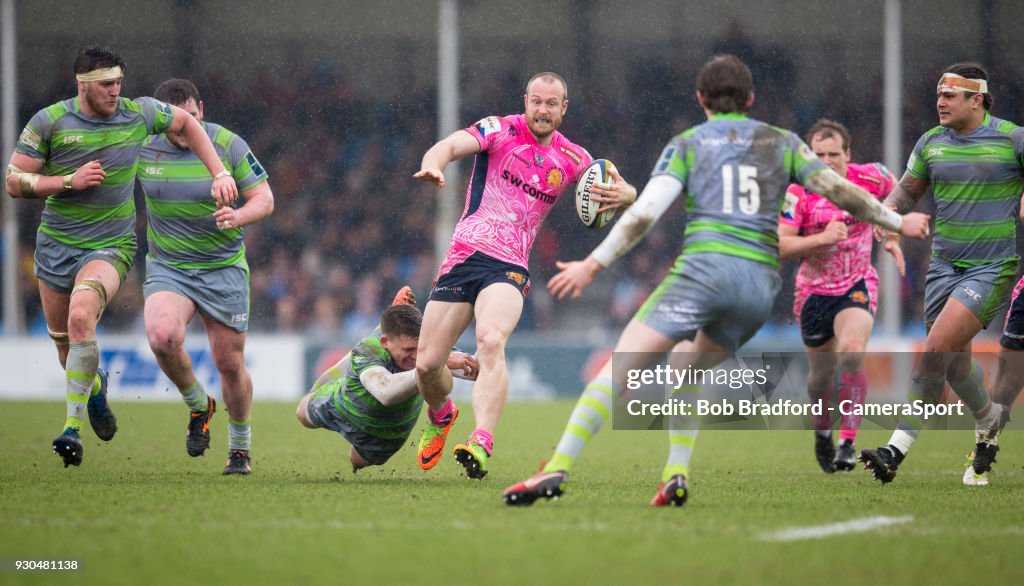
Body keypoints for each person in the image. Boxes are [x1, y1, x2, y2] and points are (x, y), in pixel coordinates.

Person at [502, 54, 930, 507]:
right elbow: (840, 190)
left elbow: (646, 212)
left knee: (618, 369)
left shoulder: (688, 143)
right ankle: (675, 475)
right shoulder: (782, 142)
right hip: (756, 292)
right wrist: (897, 222)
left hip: (703, 274)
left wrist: (593, 263)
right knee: (685, 367)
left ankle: (555, 470)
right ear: (749, 99)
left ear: (700, 98)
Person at [5, 46, 238, 468]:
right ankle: (94, 389)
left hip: (111, 245)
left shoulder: (140, 113)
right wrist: (67, 181)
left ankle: (71, 430)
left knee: (81, 317)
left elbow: (187, 122)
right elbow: (14, 180)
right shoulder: (50, 121)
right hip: (56, 245)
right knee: (66, 348)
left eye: (119, 83)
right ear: (83, 85)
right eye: (107, 84)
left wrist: (219, 171)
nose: (116, 91)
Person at [410, 72, 637, 478]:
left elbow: (623, 189)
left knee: (491, 341)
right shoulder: (498, 129)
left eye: (552, 104)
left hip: (509, 265)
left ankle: (481, 441)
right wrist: (433, 164)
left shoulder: (574, 159)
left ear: (563, 109)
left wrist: (628, 196)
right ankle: (442, 414)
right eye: (537, 101)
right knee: (427, 365)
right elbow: (449, 145)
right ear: (526, 101)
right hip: (464, 255)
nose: (543, 110)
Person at [859, 62, 1024, 485]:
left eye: (950, 94)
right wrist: (889, 213)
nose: (940, 101)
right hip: (943, 267)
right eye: (938, 94)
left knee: (933, 348)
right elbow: (906, 191)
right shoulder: (931, 142)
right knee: (952, 364)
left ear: (978, 99)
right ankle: (988, 419)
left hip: (991, 268)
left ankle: (894, 450)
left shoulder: (1012, 138)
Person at [136, 79, 273, 475]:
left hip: (222, 267)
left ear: (202, 109)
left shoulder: (228, 144)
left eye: (190, 120)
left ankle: (240, 448)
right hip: (170, 266)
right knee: (163, 338)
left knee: (228, 363)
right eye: (175, 125)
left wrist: (238, 216)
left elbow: (265, 199)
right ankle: (199, 403)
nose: (183, 132)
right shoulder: (143, 145)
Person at [777, 119, 903, 473]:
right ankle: (822, 432)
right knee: (820, 375)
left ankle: (847, 441)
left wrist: (890, 234)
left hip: (857, 283)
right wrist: (820, 239)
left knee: (851, 352)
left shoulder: (874, 177)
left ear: (848, 154)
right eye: (818, 155)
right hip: (813, 292)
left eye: (834, 154)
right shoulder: (798, 193)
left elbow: (899, 202)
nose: (827, 161)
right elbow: (782, 245)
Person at [295, 288, 478, 471]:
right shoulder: (369, 349)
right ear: (385, 342)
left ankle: (395, 314)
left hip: (387, 432)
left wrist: (488, 343)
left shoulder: (430, 346)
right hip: (341, 406)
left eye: (419, 348)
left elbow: (475, 370)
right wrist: (433, 363)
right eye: (408, 350)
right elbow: (386, 393)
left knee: (356, 462)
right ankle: (442, 414)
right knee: (302, 413)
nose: (415, 356)